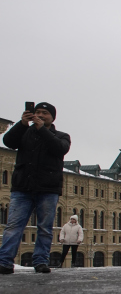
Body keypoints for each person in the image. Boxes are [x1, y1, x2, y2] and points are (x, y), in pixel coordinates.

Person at [0, 102, 71, 274]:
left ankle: (40, 262)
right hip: (22, 188)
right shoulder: (24, 133)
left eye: (44, 113)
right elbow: (8, 141)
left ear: (52, 117)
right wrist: (22, 124)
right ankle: (4, 262)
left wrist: (42, 130)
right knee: (14, 226)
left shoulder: (61, 136)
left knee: (45, 228)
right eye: (37, 112)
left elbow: (60, 148)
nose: (40, 115)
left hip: (48, 189)